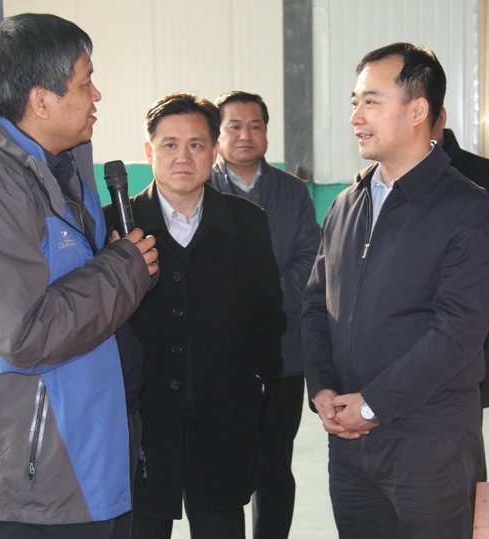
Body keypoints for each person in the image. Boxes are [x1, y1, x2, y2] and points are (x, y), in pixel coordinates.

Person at [0, 13, 158, 539]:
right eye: (85, 82)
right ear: (41, 100)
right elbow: (23, 334)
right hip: (44, 474)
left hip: (93, 446)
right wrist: (124, 268)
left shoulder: (57, 165)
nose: (97, 96)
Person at [301, 42, 489, 538]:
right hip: (350, 442)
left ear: (418, 111)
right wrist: (322, 388)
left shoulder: (469, 210)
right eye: (355, 102)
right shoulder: (345, 205)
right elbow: (314, 305)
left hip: (430, 443)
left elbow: (457, 333)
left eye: (371, 102)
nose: (355, 116)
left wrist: (374, 404)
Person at [117, 92, 286, 539]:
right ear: (149, 151)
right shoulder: (119, 225)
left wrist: (258, 380)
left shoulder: (247, 222)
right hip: (144, 421)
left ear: (214, 152)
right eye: (170, 145)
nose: (183, 157)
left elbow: (267, 313)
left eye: (196, 144)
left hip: (223, 419)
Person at [209, 91, 320, 539]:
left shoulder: (293, 192)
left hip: (283, 352)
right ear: (218, 135)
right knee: (222, 466)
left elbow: (310, 258)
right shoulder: (201, 189)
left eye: (255, 125)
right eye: (234, 126)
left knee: (275, 462)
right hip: (219, 354)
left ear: (267, 133)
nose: (245, 135)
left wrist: (263, 304)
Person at [431, 108, 489, 422]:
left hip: (457, 347)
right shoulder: (374, 183)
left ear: (438, 115)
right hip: (387, 358)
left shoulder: (486, 178)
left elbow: (478, 273)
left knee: (457, 440)